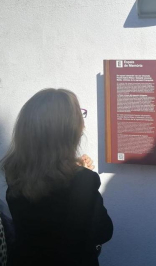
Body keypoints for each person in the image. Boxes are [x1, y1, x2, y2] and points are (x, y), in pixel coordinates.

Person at [0, 88, 113, 266]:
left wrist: (76, 170)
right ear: (67, 130)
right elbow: (103, 231)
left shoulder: (13, 171)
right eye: (80, 116)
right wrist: (81, 175)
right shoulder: (83, 180)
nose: (83, 124)